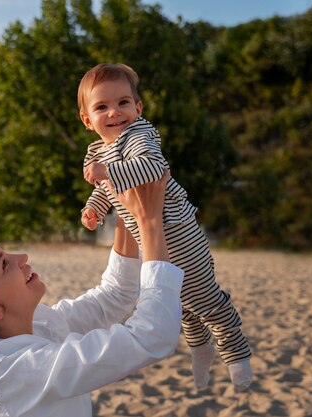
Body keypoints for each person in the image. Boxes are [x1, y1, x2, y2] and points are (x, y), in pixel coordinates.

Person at [0, 171, 185, 417]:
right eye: (4, 264)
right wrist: (149, 223)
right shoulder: (10, 372)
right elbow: (151, 336)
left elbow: (114, 296)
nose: (22, 257)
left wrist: (126, 212)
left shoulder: (35, 325)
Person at [78, 63, 252, 391]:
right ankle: (200, 348)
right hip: (150, 239)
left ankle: (236, 354)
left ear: (138, 108)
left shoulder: (139, 135)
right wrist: (93, 210)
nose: (114, 112)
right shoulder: (97, 152)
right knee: (176, 301)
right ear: (88, 120)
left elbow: (151, 167)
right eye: (102, 107)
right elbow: (107, 191)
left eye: (123, 103)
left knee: (207, 299)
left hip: (178, 233)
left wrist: (106, 174)